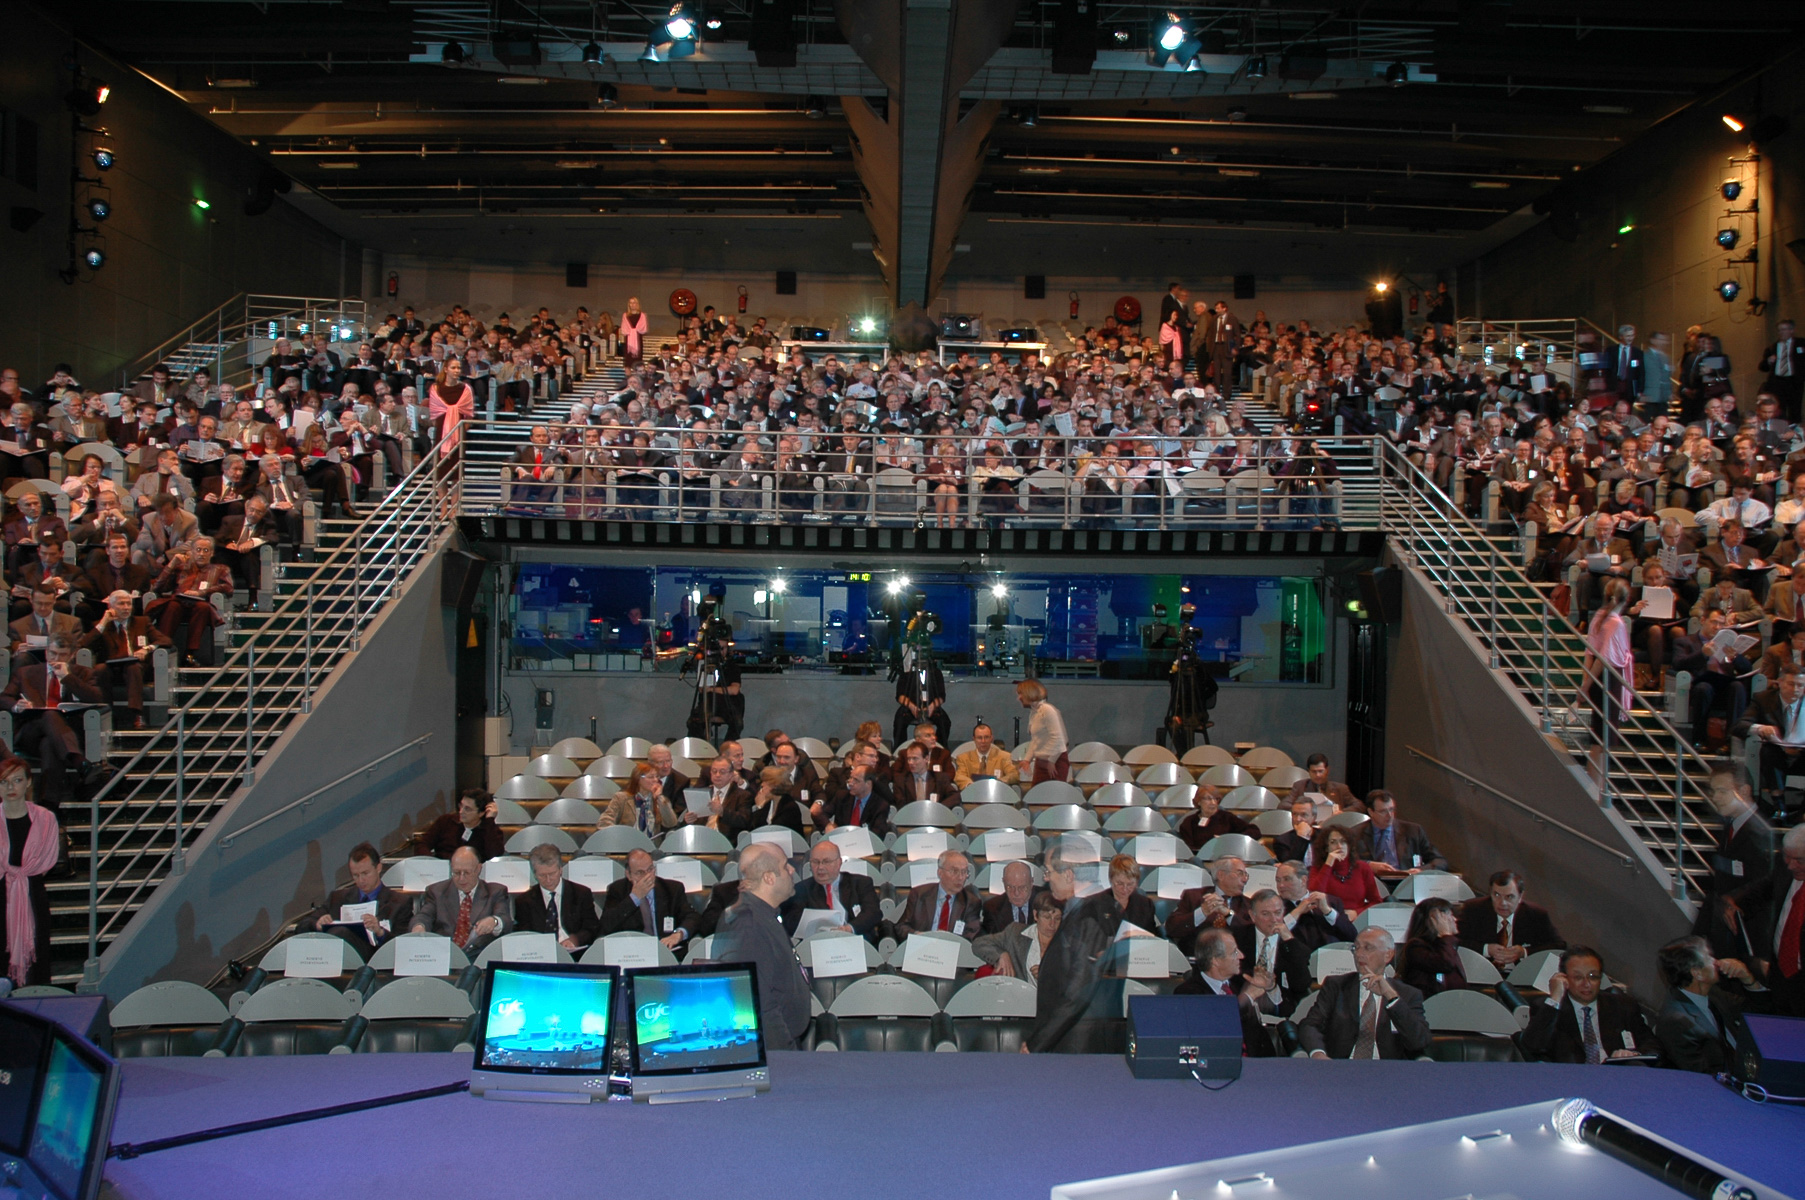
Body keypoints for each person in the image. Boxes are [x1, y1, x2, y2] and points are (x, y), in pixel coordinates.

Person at [713, 842, 811, 1050]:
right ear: (769, 877)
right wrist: (785, 1055)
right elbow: (759, 1003)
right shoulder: (750, 925)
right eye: (785, 866)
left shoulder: (761, 913)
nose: (792, 870)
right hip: (774, 1053)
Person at [0, 635, 102, 815]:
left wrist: (67, 678)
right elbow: (4, 697)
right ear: (46, 653)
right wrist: (17, 706)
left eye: (62, 655)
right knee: (48, 714)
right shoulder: (26, 672)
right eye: (53, 654)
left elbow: (97, 699)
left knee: (49, 744)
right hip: (30, 731)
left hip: (65, 735)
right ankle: (79, 762)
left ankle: (49, 804)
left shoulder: (83, 673)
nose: (56, 659)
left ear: (71, 655)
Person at [1297, 928, 1432, 1060]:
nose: (1359, 954)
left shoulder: (1408, 994)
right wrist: (1318, 1053)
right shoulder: (1336, 985)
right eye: (1356, 947)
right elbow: (1310, 1025)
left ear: (1388, 955)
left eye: (1368, 948)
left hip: (1387, 1071)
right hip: (1340, 1067)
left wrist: (1392, 998)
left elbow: (1419, 1041)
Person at [1721, 824, 1805, 1017]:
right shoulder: (1784, 865)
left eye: (1799, 860)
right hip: (1780, 975)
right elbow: (1765, 887)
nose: (1791, 865)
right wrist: (1737, 902)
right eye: (1787, 857)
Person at [1520, 946, 1659, 1063]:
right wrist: (1555, 997)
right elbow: (1533, 1046)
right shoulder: (1550, 1008)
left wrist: (1634, 1055)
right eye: (1578, 977)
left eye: (1593, 977)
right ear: (1564, 978)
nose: (1586, 984)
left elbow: (1653, 1046)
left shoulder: (1622, 1006)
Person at [1654, 934, 1755, 1073]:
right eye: (1708, 958)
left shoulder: (1712, 993)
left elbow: (1758, 1012)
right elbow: (1703, 1075)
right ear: (1697, 973)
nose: (1716, 961)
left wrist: (1748, 978)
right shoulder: (1676, 1022)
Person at [1171, 928, 1278, 1057]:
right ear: (1215, 960)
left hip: (1258, 1064)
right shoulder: (1188, 993)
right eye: (1234, 952)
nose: (1241, 956)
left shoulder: (1240, 982)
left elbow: (1278, 1011)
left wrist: (1270, 987)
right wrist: (1247, 997)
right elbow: (1217, 1023)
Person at [0, 758, 57, 987]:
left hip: (33, 895)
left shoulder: (45, 819)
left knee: (38, 954)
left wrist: (18, 876)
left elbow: (47, 858)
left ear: (28, 782)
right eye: (4, 782)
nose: (11, 788)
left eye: (17, 780)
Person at [81, 589, 171, 729]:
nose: (126, 608)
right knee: (99, 669)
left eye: (129, 604)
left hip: (136, 667)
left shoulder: (142, 622)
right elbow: (84, 645)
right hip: (111, 667)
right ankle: (107, 713)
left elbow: (165, 640)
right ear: (111, 607)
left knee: (132, 667)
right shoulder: (101, 626)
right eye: (121, 604)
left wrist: (147, 649)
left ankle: (137, 714)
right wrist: (104, 622)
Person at [310, 841, 412, 957]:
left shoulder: (399, 902)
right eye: (355, 875)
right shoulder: (337, 898)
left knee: (340, 932)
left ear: (378, 868)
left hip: (376, 960)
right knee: (339, 933)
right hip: (336, 958)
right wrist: (317, 924)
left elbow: (404, 945)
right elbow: (303, 925)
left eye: (365, 873)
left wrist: (380, 932)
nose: (361, 880)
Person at [145, 537, 232, 666]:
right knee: (173, 605)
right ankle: (162, 645)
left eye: (206, 550)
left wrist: (201, 592)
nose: (201, 554)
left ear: (212, 553)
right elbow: (157, 587)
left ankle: (190, 653)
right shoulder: (181, 568)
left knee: (202, 607)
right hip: (179, 603)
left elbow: (228, 588)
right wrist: (172, 564)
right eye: (198, 550)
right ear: (192, 552)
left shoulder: (220, 569)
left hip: (200, 606)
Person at [1456, 870, 1566, 969]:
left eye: (1509, 897)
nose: (1502, 903)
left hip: (1522, 973)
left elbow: (1559, 945)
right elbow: (1454, 940)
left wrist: (1524, 952)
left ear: (1520, 897)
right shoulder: (1474, 909)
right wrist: (1486, 949)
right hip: (1480, 971)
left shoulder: (1535, 914)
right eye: (1497, 895)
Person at [409, 847, 509, 953]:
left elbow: (505, 919)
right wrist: (419, 927)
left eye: (467, 872)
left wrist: (494, 921)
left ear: (478, 869)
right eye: (456, 873)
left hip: (479, 955)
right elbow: (424, 915)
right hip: (445, 953)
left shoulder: (495, 892)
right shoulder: (436, 891)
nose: (461, 878)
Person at [1734, 669, 1805, 817]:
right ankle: (1779, 804)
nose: (1796, 689)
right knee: (1768, 752)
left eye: (1801, 685)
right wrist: (1760, 728)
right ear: (1780, 682)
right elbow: (1740, 726)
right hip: (1777, 752)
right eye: (1791, 684)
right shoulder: (1764, 699)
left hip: (1802, 754)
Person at [1230, 889, 1312, 1018]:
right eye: (1265, 914)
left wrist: (1288, 941)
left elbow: (1302, 984)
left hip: (1282, 1001)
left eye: (1278, 913)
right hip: (1244, 995)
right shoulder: (1238, 936)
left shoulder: (1296, 939)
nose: (1274, 919)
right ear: (1252, 916)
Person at [781, 839, 881, 942]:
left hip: (856, 941)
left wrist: (849, 928)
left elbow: (873, 913)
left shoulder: (860, 883)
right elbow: (790, 922)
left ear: (839, 863)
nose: (820, 867)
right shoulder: (802, 889)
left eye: (826, 861)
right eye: (815, 862)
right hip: (818, 944)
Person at [598, 848, 695, 948]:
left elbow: (692, 917)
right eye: (640, 873)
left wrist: (679, 934)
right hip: (631, 952)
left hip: (666, 950)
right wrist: (634, 898)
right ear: (629, 875)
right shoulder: (617, 890)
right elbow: (606, 925)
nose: (647, 876)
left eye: (650, 869)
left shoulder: (672, 889)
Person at [514, 843, 602, 950]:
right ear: (534, 874)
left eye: (552, 873)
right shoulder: (524, 901)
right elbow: (524, 935)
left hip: (574, 952)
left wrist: (575, 940)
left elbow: (592, 928)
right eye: (542, 875)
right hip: (540, 953)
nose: (548, 880)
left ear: (560, 869)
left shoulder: (581, 894)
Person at [1166, 855, 1252, 955]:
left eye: (1246, 875)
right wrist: (1202, 912)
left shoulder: (1249, 904)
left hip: (1235, 961)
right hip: (1197, 959)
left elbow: (1251, 935)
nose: (1245, 880)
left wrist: (1228, 914)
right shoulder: (1193, 897)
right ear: (1221, 875)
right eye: (1240, 873)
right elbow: (1172, 928)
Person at [972, 889, 1063, 983]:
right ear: (1036, 915)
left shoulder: (1070, 943)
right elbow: (979, 944)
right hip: (1018, 995)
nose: (1052, 924)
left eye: (1057, 918)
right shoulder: (1015, 933)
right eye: (1047, 917)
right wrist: (1001, 955)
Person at [895, 849, 984, 940]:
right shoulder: (919, 894)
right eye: (954, 871)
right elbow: (901, 927)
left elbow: (970, 935)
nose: (960, 877)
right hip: (922, 947)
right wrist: (918, 935)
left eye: (964, 872)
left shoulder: (971, 902)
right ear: (940, 873)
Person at [1274, 860, 1358, 951]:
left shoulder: (1332, 902)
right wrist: (1297, 912)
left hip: (1330, 958)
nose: (1280, 885)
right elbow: (1272, 935)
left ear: (1303, 880)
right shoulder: (1274, 906)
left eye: (1287, 879)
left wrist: (1328, 911)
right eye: (1278, 880)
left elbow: (1352, 936)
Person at [1361, 790, 1447, 874]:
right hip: (1375, 883)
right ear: (1371, 812)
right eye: (1383, 811)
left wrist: (1421, 870)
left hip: (1406, 881)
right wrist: (1369, 865)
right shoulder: (1356, 833)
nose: (1390, 815)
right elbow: (1349, 862)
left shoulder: (1414, 831)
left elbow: (1440, 861)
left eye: (1391, 809)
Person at [1395, 897, 1466, 999]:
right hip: (1430, 1008)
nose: (1455, 919)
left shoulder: (1446, 945)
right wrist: (1446, 934)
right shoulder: (1416, 947)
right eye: (1450, 915)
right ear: (1433, 921)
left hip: (1452, 1004)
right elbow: (1444, 964)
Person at [1307, 824, 1384, 915]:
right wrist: (1328, 864)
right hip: (1328, 919)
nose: (1339, 846)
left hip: (1358, 920)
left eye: (1343, 842)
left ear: (1349, 845)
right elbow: (1315, 896)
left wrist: (1357, 913)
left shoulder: (1362, 867)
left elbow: (1376, 902)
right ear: (1326, 848)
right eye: (1333, 842)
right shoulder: (1318, 868)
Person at [414, 788, 505, 861]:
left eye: (467, 809)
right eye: (461, 806)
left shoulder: (490, 830)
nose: (461, 812)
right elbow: (422, 843)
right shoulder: (445, 821)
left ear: (481, 813)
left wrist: (490, 821)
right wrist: (432, 862)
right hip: (444, 871)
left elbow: (494, 855)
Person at [721, 765, 805, 841]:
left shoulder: (790, 808)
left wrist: (759, 807)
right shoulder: (768, 804)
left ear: (775, 786)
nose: (762, 785)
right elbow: (751, 829)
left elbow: (768, 832)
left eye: (766, 782)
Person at [596, 762, 682, 835]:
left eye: (657, 777)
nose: (655, 780)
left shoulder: (660, 800)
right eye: (651, 777)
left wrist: (660, 798)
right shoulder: (621, 798)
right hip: (626, 845)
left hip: (651, 846)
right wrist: (619, 835)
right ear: (638, 779)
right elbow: (604, 821)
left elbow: (671, 823)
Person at [1016, 679, 1069, 783]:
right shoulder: (1034, 712)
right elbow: (1036, 740)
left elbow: (1061, 739)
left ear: (1029, 693)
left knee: (1051, 796)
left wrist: (1051, 760)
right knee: (1037, 795)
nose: (1019, 698)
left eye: (1021, 694)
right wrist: (1027, 759)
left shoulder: (1047, 710)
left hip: (1054, 762)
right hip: (1042, 762)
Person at [1174, 784, 1251, 854]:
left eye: (1216, 799)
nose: (1213, 803)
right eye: (1208, 798)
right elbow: (1189, 850)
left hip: (1224, 856)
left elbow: (1253, 831)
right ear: (1199, 801)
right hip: (1201, 859)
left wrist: (1230, 839)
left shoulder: (1227, 817)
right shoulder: (1189, 822)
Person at [823, 764, 892, 837]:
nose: (850, 783)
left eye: (856, 780)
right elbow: (823, 813)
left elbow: (877, 835)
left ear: (868, 784)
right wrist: (828, 824)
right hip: (841, 841)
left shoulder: (880, 806)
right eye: (850, 778)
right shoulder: (842, 796)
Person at [686, 755, 750, 829]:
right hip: (702, 835)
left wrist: (722, 812)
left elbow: (744, 822)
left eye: (722, 772)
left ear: (731, 774)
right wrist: (689, 820)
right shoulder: (701, 794)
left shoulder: (743, 795)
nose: (717, 775)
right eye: (714, 771)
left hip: (725, 838)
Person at [952, 721, 1019, 789]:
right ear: (974, 739)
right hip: (972, 794)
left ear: (991, 738)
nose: (983, 741)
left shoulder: (1004, 756)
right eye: (979, 738)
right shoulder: (963, 758)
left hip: (996, 793)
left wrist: (1000, 782)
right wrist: (971, 786)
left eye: (986, 737)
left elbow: (1014, 775)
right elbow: (959, 776)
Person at [982, 860, 1040, 935]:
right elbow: (989, 942)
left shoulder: (1046, 901)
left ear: (1031, 882)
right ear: (1003, 882)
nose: (1016, 893)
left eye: (1022, 887)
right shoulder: (992, 908)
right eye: (1010, 887)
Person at [890, 740, 955, 807]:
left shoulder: (939, 778)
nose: (910, 762)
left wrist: (939, 807)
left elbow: (955, 797)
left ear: (926, 759)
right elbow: (900, 804)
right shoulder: (901, 780)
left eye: (915, 758)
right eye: (909, 759)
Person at [1284, 753, 1358, 811]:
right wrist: (1301, 810)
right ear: (1308, 771)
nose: (1318, 775)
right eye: (1314, 771)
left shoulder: (1341, 789)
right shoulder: (1300, 786)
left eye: (1320, 771)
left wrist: (1341, 812)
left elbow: (1359, 806)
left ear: (1327, 770)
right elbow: (1284, 805)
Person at [1271, 796, 1316, 864]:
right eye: (1295, 814)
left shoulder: (1324, 837)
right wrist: (1301, 837)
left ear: (1313, 818)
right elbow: (1292, 865)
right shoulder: (1282, 841)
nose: (1298, 819)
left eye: (1303, 815)